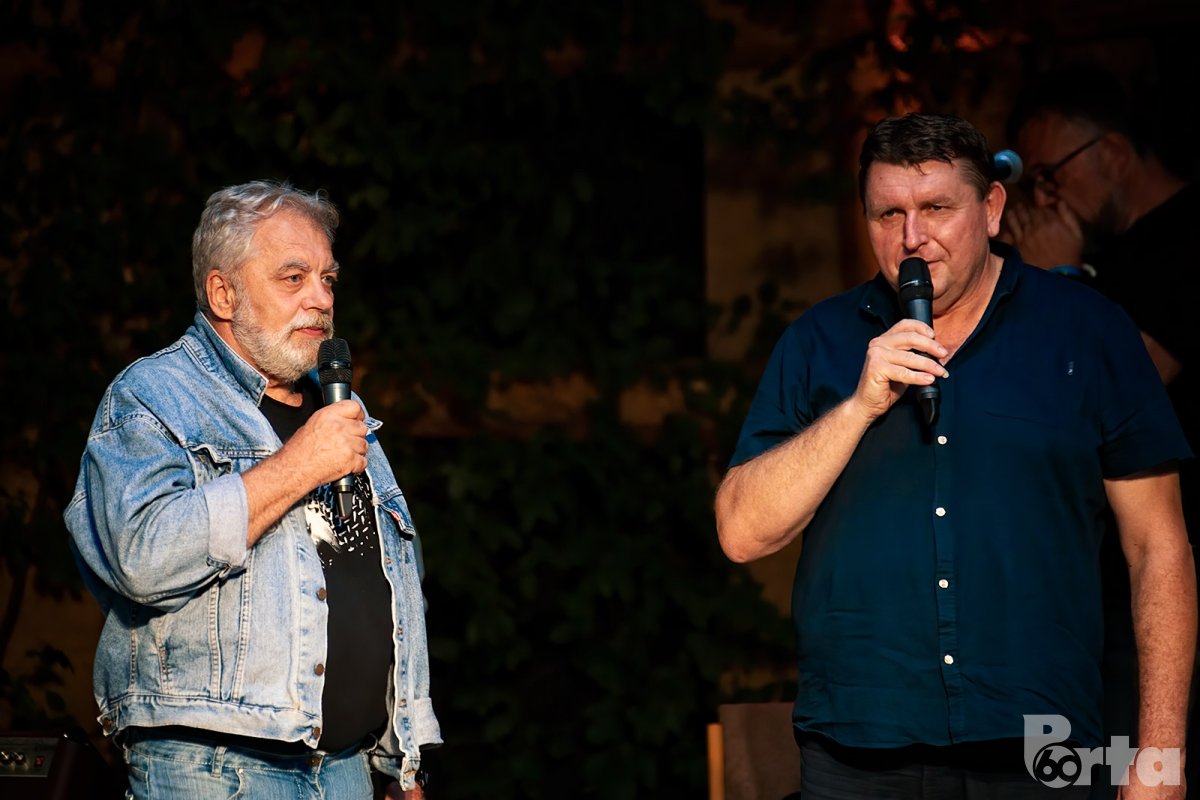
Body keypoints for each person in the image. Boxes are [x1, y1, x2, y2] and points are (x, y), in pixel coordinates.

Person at [714, 112, 1196, 798]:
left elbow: (1158, 548)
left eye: (937, 208)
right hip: (858, 751)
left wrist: (1161, 758)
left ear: (992, 207)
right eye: (888, 214)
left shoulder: (1087, 331)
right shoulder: (817, 343)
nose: (912, 237)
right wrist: (857, 409)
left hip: (1043, 745)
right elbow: (741, 531)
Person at [63, 180, 441, 799]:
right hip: (217, 769)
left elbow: (390, 591)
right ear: (223, 293)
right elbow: (140, 555)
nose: (321, 299)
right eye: (294, 278)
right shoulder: (155, 396)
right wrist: (299, 465)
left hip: (346, 769)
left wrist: (403, 762)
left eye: (328, 279)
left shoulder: (339, 414)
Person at [1002, 65, 1199, 798]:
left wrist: (1058, 277)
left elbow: (1119, 391)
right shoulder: (1107, 253)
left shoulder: (1185, 242)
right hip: (1097, 597)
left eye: (1050, 176)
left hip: (1169, 580)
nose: (1041, 199)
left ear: (1113, 154)